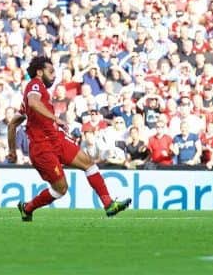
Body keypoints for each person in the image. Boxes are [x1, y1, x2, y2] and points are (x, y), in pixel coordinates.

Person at [7, 56, 131, 221]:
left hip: (57, 140)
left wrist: (11, 151)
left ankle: (109, 204)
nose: (54, 75)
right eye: (50, 72)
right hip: (42, 147)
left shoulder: (37, 94)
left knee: (89, 164)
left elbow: (12, 124)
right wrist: (56, 118)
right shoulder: (34, 85)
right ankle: (28, 207)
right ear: (39, 72)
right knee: (60, 189)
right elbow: (33, 103)